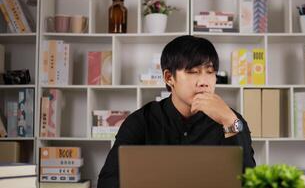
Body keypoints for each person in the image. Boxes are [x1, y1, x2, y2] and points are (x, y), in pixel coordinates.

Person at [97, 35, 256, 188]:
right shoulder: (141, 121)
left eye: (210, 72)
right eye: (193, 72)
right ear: (169, 77)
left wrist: (230, 121)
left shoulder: (232, 119)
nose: (204, 82)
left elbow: (249, 181)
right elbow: (108, 181)